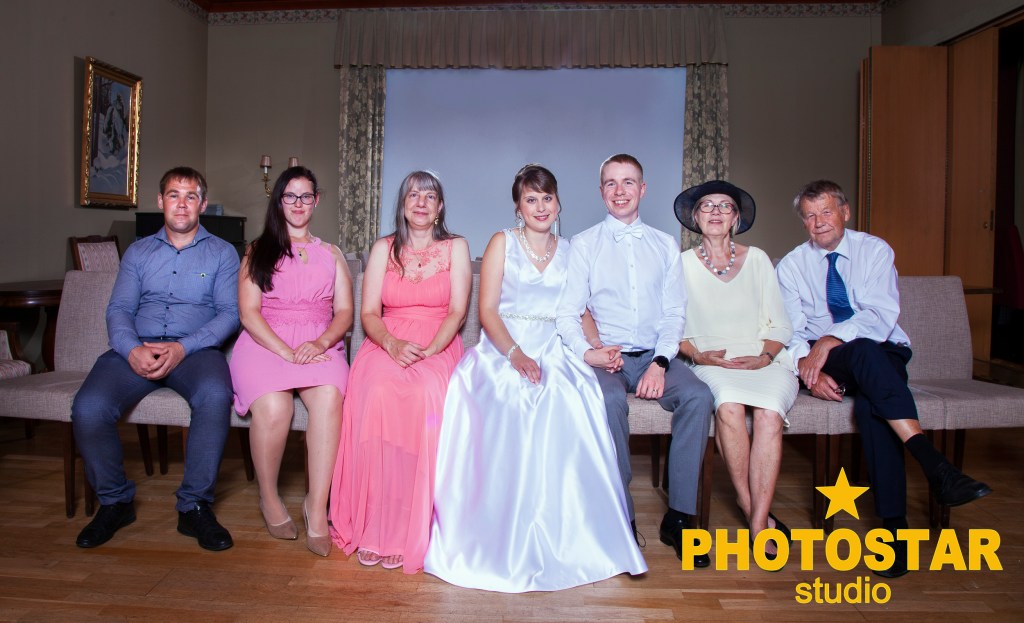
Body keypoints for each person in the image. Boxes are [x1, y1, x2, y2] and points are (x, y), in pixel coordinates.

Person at [424, 165, 647, 592]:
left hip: (557, 345)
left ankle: (574, 529)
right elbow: (487, 311)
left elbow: (581, 311)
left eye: (547, 198)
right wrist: (515, 354)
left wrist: (596, 347)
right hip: (505, 346)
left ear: (558, 203)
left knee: (572, 395)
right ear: (518, 206)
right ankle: (498, 527)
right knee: (509, 396)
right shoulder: (502, 243)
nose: (540, 207)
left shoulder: (571, 250)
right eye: (531, 199)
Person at [776, 179, 993, 578]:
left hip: (883, 347)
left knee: (872, 403)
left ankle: (894, 533)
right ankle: (933, 466)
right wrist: (810, 368)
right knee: (861, 356)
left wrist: (827, 339)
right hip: (836, 361)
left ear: (845, 212)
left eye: (826, 212)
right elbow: (790, 331)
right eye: (809, 216)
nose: (818, 222)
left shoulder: (874, 251)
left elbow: (879, 317)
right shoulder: (791, 265)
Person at [556, 154, 715, 568]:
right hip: (606, 358)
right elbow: (567, 313)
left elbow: (673, 314)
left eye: (628, 182)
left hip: (653, 356)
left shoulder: (665, 245)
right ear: (601, 192)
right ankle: (620, 515)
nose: (620, 191)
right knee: (608, 401)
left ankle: (679, 517)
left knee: (698, 396)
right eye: (611, 183)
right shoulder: (584, 244)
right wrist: (589, 352)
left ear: (642, 189)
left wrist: (661, 362)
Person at [72, 166, 240, 551]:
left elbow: (229, 314)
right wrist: (131, 348)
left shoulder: (222, 253)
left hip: (195, 351)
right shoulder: (138, 252)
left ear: (203, 204)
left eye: (190, 196)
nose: (181, 204)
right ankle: (115, 503)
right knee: (89, 407)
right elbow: (119, 309)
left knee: (215, 395)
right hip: (137, 346)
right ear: (160, 201)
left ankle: (194, 505)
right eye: (174, 195)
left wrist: (183, 348)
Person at [329, 170, 471, 573]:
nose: (421, 202)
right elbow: (369, 313)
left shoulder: (457, 247)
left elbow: (457, 312)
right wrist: (391, 344)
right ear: (403, 204)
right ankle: (376, 522)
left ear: (440, 206)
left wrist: (432, 350)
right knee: (376, 392)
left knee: (425, 394)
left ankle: (413, 524)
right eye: (413, 195)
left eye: (429, 196)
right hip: (386, 340)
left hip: (438, 340)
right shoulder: (383, 248)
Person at [229, 166, 353, 557]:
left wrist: (321, 342)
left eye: (306, 196)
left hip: (318, 342)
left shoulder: (332, 254)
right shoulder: (257, 250)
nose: (298, 204)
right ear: (279, 201)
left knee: (330, 397)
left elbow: (344, 312)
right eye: (290, 196)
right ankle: (268, 497)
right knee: (275, 407)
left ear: (316, 201)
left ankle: (316, 506)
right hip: (266, 343)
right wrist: (284, 351)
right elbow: (248, 313)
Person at [673, 180, 798, 560]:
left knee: (769, 415)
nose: (715, 212)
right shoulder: (679, 264)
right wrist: (698, 355)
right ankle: (752, 510)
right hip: (711, 361)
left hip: (762, 358)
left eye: (724, 206)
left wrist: (765, 356)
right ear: (695, 217)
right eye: (707, 206)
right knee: (727, 405)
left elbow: (781, 324)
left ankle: (757, 519)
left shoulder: (758, 259)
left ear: (736, 218)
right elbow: (670, 327)